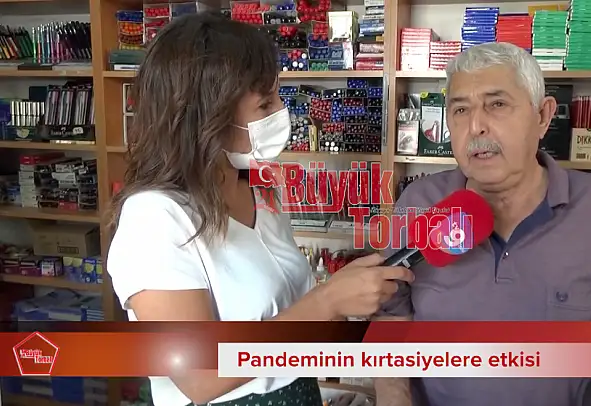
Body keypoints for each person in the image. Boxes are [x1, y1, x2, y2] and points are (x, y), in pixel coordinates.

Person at [106, 13, 413, 406]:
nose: (282, 112)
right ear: (208, 117)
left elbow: (291, 319)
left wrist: (349, 303)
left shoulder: (261, 191)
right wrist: (327, 301)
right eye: (265, 103)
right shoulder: (154, 218)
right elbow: (199, 376)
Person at [374, 42, 591, 406]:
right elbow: (391, 319)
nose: (476, 126)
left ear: (542, 116)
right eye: (460, 109)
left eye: (497, 104)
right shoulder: (418, 203)